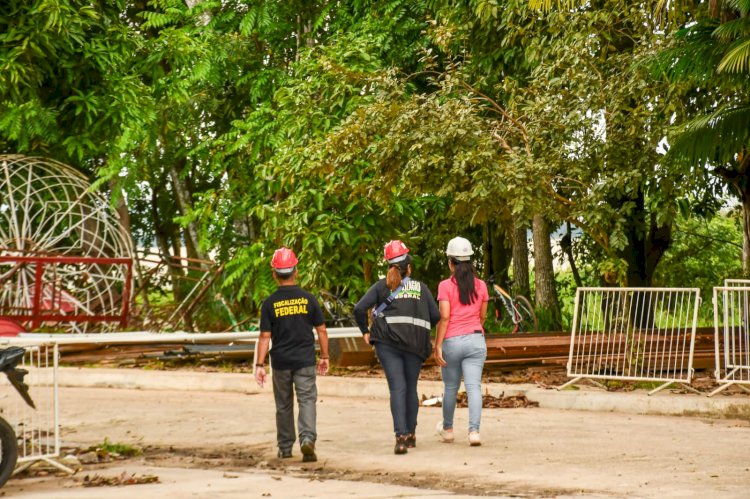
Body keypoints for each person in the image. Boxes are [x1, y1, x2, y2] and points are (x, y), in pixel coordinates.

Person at [353, 240, 439, 455]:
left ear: (388, 265)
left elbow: (359, 308)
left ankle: (400, 438)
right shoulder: (421, 288)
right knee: (411, 388)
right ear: (409, 266)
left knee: (397, 388)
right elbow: (436, 316)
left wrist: (365, 331)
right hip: (415, 346)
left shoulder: (381, 286)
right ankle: (411, 435)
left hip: (387, 345)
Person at [255, 247, 329, 462]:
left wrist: (260, 364)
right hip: (304, 360)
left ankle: (285, 448)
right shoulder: (308, 299)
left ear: (274, 274)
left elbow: (264, 337)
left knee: (284, 404)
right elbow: (322, 330)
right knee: (307, 400)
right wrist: (325, 356)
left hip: (280, 362)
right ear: (296, 271)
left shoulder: (269, 303)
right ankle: (307, 439)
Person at [433, 237, 489, 446]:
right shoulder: (481, 286)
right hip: (476, 340)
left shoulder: (445, 286)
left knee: (450, 387)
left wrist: (438, 345)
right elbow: (483, 316)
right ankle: (474, 432)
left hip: (452, 342)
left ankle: (447, 429)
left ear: (451, 262)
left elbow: (445, 317)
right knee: (474, 387)